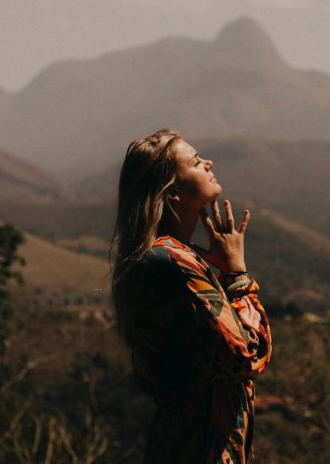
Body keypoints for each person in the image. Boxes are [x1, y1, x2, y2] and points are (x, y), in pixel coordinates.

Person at [110, 129, 272, 463]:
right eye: (196, 162)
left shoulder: (174, 259)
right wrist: (238, 275)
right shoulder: (171, 263)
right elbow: (244, 357)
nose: (209, 162)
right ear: (172, 195)